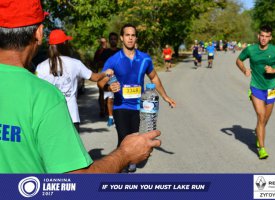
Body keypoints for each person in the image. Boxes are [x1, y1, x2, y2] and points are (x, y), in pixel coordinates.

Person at [0, 0, 161, 173]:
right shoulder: (46, 96)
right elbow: (76, 184)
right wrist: (125, 154)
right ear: (39, 33)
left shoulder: (40, 72)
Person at [99, 24, 176, 172]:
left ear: (136, 38)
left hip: (139, 107)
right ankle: (118, 169)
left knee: (135, 138)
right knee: (123, 138)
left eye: (132, 35)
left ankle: (128, 162)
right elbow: (101, 81)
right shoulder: (113, 60)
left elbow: (154, 78)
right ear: (122, 38)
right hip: (121, 106)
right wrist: (109, 87)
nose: (130, 38)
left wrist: (165, 97)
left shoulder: (144, 59)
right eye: (127, 35)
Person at [36, 29, 108, 132]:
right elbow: (95, 77)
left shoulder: (40, 67)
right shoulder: (75, 63)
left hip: (49, 117)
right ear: (65, 43)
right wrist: (106, 72)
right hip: (71, 116)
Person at [236, 25, 275, 159]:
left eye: (267, 36)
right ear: (258, 36)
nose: (264, 39)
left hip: (271, 88)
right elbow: (238, 60)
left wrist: (274, 70)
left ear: (270, 38)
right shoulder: (251, 49)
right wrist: (244, 70)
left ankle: (258, 132)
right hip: (256, 87)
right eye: (262, 36)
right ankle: (262, 148)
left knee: (265, 119)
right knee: (261, 116)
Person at [96, 32, 121, 127]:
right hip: (109, 77)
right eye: (112, 39)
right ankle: (110, 117)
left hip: (120, 77)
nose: (113, 40)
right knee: (110, 98)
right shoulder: (105, 52)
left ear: (118, 40)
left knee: (119, 96)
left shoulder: (121, 51)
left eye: (115, 39)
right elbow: (101, 64)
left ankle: (119, 116)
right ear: (109, 41)